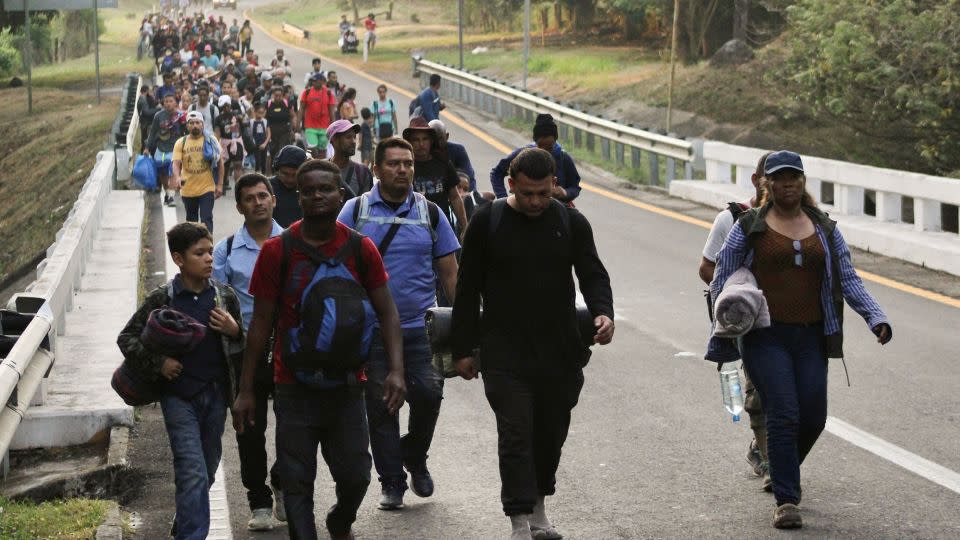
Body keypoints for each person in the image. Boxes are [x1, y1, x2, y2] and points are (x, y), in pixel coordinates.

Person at [707, 150, 893, 530]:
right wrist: (723, 325)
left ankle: (779, 463)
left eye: (794, 177)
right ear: (767, 184)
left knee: (813, 416)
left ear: (803, 182)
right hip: (764, 335)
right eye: (780, 178)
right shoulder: (749, 225)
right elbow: (721, 274)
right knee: (784, 411)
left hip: (811, 334)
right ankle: (787, 499)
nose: (788, 183)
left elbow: (848, 278)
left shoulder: (824, 227)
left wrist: (875, 316)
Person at [233, 159, 406, 540]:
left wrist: (396, 370)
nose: (316, 196)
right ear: (298, 197)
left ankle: (341, 520)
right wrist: (246, 389)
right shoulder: (278, 251)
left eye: (325, 189)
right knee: (297, 482)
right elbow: (260, 324)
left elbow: (387, 312)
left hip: (348, 385)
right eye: (308, 190)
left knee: (357, 477)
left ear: (340, 193)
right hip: (292, 386)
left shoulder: (361, 249)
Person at [450, 148, 615, 540]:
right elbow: (467, 288)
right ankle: (519, 521)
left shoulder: (571, 222)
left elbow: (593, 274)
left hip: (560, 350)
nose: (536, 202)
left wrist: (603, 312)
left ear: (553, 184)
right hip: (503, 351)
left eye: (543, 193)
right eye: (527, 194)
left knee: (550, 433)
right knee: (516, 433)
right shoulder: (487, 222)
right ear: (511, 185)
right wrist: (462, 349)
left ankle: (539, 507)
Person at [338, 137, 460, 511]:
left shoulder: (431, 213)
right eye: (393, 164)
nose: (403, 169)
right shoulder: (354, 211)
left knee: (429, 394)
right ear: (376, 169)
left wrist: (464, 328)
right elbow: (335, 268)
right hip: (371, 332)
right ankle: (391, 480)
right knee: (382, 406)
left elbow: (451, 273)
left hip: (423, 329)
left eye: (407, 163)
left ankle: (415, 453)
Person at [118, 222, 244, 540]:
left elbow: (245, 346)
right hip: (178, 398)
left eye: (210, 252)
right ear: (178, 258)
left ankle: (185, 518)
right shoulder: (163, 299)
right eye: (198, 253)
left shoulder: (224, 297)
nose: (208, 259)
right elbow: (127, 338)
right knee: (191, 469)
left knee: (207, 468)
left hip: (216, 397)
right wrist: (159, 363)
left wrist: (234, 330)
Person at [213, 174, 285, 531]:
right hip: (245, 352)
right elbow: (214, 300)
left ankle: (284, 480)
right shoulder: (226, 251)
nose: (258, 202)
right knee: (249, 429)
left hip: (289, 349)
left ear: (273, 199)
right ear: (239, 207)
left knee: (295, 424)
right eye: (250, 199)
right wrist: (233, 329)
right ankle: (259, 501)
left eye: (263, 196)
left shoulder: (293, 242)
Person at [699, 151, 772, 489]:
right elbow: (706, 269)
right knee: (760, 388)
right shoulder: (731, 219)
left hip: (790, 320)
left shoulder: (803, 220)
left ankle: (765, 447)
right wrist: (741, 291)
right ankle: (772, 461)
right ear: (757, 181)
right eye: (772, 179)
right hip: (751, 321)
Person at [490, 114, 581, 206]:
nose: (545, 152)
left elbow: (575, 187)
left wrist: (565, 193)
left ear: (555, 141)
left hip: (556, 210)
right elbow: (497, 173)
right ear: (535, 141)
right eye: (540, 147)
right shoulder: (522, 156)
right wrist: (504, 200)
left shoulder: (563, 158)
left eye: (549, 147)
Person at [402, 118, 468, 236]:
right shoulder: (403, 166)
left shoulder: (443, 163)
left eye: (425, 139)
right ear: (409, 142)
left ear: (431, 141)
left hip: (442, 228)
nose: (421, 144)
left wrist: (465, 228)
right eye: (416, 140)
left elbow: (455, 197)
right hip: (412, 230)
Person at [172, 111, 224, 233]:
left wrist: (220, 185)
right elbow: (176, 163)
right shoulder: (181, 142)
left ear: (202, 124)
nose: (195, 125)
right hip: (188, 189)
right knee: (192, 222)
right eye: (192, 123)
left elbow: (220, 163)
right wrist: (177, 177)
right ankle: (194, 248)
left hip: (207, 188)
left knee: (206, 219)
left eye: (197, 123)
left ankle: (208, 246)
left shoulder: (211, 141)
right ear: (187, 125)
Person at [145, 92, 186, 207]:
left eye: (171, 101)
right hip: (161, 149)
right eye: (166, 101)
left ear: (176, 103)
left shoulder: (181, 116)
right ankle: (168, 193)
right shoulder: (158, 116)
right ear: (163, 103)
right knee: (163, 174)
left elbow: (186, 132)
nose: (168, 104)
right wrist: (147, 147)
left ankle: (171, 197)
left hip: (175, 149)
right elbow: (152, 133)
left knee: (173, 171)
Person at [327, 119, 373, 198]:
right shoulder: (322, 171)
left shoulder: (363, 173)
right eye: (348, 137)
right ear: (334, 140)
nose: (353, 141)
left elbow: (366, 206)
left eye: (354, 137)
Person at [428, 119, 476, 191]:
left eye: (440, 138)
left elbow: (469, 177)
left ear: (446, 136)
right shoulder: (421, 152)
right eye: (432, 139)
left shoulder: (458, 150)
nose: (436, 143)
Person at [268, 145, 308, 228]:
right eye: (285, 174)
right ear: (277, 170)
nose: (290, 180)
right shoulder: (266, 188)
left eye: (295, 175)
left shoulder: (310, 188)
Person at [299, 73, 337, 158]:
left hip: (324, 127)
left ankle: (320, 167)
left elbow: (332, 112)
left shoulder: (328, 93)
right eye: (313, 81)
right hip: (310, 127)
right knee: (312, 148)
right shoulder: (307, 92)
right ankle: (312, 163)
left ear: (322, 82)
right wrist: (298, 124)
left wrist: (333, 127)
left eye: (316, 81)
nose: (314, 83)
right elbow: (301, 109)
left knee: (322, 150)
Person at [265, 85, 297, 167]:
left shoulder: (286, 103)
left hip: (284, 132)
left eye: (280, 96)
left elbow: (293, 116)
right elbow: (264, 117)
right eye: (276, 96)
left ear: (282, 96)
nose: (278, 97)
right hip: (272, 132)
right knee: (273, 152)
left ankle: (282, 167)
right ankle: (273, 169)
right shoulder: (268, 104)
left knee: (282, 150)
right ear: (273, 95)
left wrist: (293, 129)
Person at [250, 103, 270, 175]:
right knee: (257, 161)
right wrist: (253, 142)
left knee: (264, 162)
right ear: (255, 112)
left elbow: (268, 134)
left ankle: (264, 176)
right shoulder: (251, 122)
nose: (260, 114)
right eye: (259, 112)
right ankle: (257, 176)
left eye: (262, 113)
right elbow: (250, 134)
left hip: (264, 144)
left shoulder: (265, 121)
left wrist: (265, 144)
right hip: (256, 144)